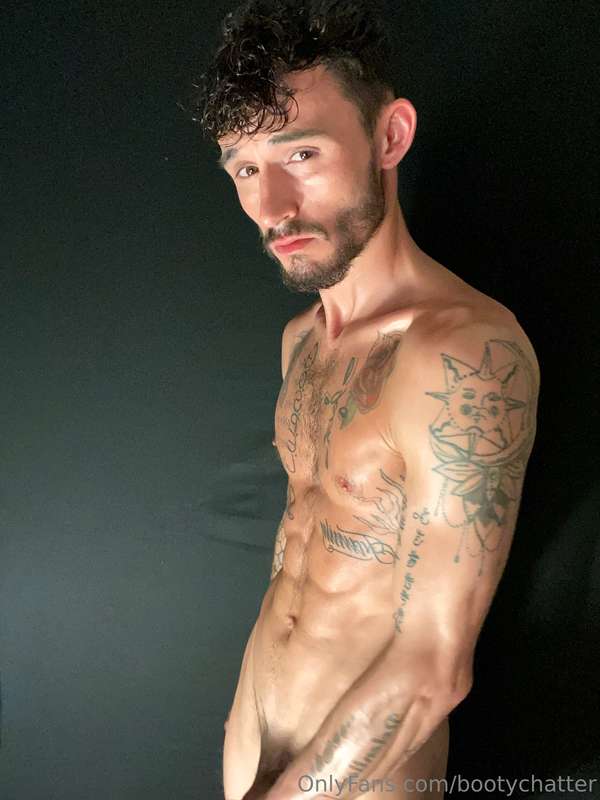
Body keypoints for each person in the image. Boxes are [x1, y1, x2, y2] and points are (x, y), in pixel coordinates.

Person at [194, 1, 540, 797]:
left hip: (362, 780)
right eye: (244, 169)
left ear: (390, 137)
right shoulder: (302, 342)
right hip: (251, 751)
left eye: (301, 152)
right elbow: (299, 555)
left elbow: (432, 665)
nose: (272, 207)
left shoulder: (463, 354)